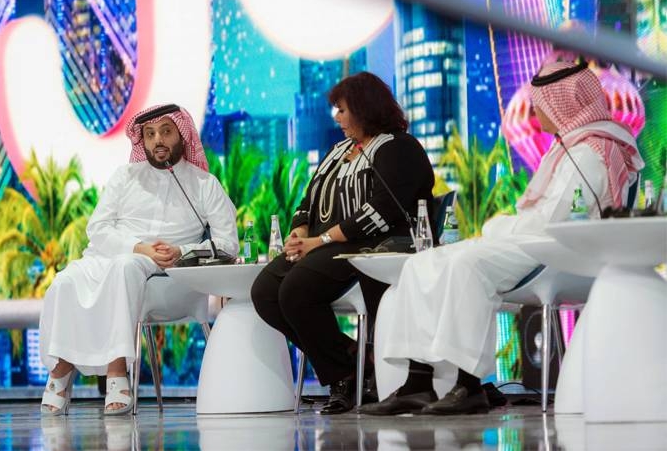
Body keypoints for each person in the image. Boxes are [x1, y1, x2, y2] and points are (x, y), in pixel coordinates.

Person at [361, 60, 644, 416]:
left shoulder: (588, 150)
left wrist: (499, 227)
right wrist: (505, 227)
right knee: (422, 262)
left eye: (541, 101)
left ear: (563, 102)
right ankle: (418, 383)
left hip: (560, 251)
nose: (537, 108)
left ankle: (470, 385)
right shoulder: (569, 145)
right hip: (532, 240)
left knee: (467, 264)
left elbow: (554, 219)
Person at [250, 72, 436, 415]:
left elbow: (382, 209)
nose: (336, 117)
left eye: (342, 109)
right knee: (263, 291)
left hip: (370, 244)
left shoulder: (398, 147)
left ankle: (341, 378)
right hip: (322, 244)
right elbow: (309, 197)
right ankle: (351, 361)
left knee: (296, 289)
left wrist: (320, 240)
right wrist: (300, 231)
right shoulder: (339, 151)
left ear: (365, 109)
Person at [38, 104, 239, 416]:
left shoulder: (204, 185)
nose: (158, 139)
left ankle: (117, 370)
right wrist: (140, 247)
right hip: (113, 256)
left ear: (182, 136)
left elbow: (229, 244)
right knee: (66, 280)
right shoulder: (125, 176)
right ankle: (61, 369)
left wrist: (182, 252)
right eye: (150, 134)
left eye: (166, 132)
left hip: (170, 276)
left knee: (125, 268)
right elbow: (98, 229)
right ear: (141, 141)